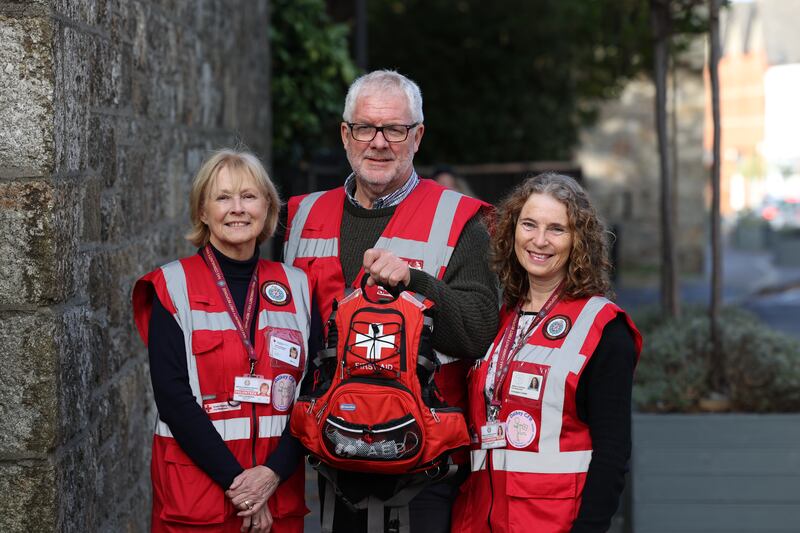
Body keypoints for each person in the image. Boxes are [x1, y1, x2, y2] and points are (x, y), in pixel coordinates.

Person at [283, 69, 499, 532]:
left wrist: (417, 283)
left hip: (423, 470)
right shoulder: (299, 218)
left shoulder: (460, 221)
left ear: (417, 136)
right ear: (345, 134)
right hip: (330, 460)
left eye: (394, 129)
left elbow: (480, 330)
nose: (378, 142)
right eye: (365, 127)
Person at [132, 149, 321, 532]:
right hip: (198, 499)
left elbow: (315, 394)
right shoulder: (172, 286)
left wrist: (271, 475)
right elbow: (173, 399)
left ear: (267, 208)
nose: (237, 208)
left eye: (249, 196)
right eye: (223, 197)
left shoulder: (298, 286)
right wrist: (244, 490)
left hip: (278, 494)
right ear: (203, 211)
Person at [451, 173, 642, 533]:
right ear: (512, 231)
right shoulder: (499, 318)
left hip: (554, 524)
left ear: (578, 241)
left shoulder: (603, 329)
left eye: (557, 228)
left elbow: (613, 454)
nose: (539, 241)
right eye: (529, 225)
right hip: (477, 521)